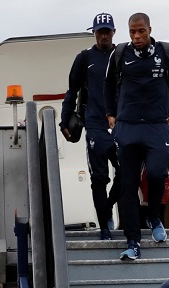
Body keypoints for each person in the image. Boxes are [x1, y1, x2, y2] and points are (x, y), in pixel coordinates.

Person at [105, 12, 169, 261]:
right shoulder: (119, 55)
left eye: (141, 32)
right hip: (127, 126)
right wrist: (110, 114)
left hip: (156, 125)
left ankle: (155, 216)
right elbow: (108, 86)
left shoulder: (166, 53)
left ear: (149, 30)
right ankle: (133, 241)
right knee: (127, 185)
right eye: (132, 32)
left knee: (157, 173)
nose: (137, 37)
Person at [60, 13, 119, 241]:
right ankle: (104, 225)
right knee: (99, 179)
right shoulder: (84, 57)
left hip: (121, 123)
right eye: (99, 31)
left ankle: (108, 207)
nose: (103, 35)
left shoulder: (122, 54)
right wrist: (64, 120)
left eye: (107, 31)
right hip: (95, 124)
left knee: (126, 174)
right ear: (94, 33)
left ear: (113, 32)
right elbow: (71, 90)